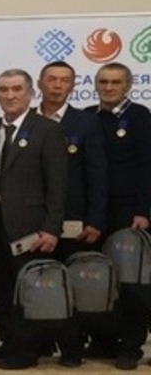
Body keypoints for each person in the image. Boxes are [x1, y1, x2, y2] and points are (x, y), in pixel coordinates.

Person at [0, 69, 66, 370]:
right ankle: (9, 340)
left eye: (17, 89)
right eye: (4, 89)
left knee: (28, 288)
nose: (10, 95)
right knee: (2, 287)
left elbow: (58, 184)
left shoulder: (47, 129)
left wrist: (52, 228)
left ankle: (28, 349)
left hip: (31, 225)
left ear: (30, 93)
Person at [33, 60, 104, 366]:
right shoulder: (26, 120)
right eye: (52, 79)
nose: (58, 85)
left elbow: (97, 174)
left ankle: (72, 347)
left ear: (73, 86)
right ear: (40, 83)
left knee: (71, 285)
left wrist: (96, 219)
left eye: (64, 80)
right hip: (32, 219)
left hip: (74, 219)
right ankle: (38, 343)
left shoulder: (86, 123)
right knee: (38, 282)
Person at [90, 62, 151, 370]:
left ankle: (130, 345)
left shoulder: (140, 117)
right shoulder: (88, 117)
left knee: (131, 284)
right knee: (98, 279)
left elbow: (147, 165)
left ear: (128, 86)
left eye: (116, 82)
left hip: (129, 212)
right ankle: (103, 340)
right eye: (103, 82)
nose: (109, 87)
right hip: (95, 212)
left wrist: (143, 210)